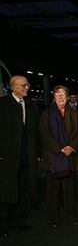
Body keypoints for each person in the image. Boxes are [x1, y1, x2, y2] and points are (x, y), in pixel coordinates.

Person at [39, 85, 78, 228]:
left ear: (68, 96)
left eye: (63, 94)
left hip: (70, 157)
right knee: (52, 191)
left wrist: (72, 147)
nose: (60, 97)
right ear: (53, 97)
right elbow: (44, 133)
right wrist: (59, 148)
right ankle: (53, 219)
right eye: (57, 94)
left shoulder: (75, 113)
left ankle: (70, 217)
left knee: (69, 190)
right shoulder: (46, 113)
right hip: (53, 157)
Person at [0, 75, 38, 237]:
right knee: (6, 191)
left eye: (27, 85)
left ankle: (19, 222)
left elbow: (35, 132)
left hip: (26, 157)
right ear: (13, 87)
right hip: (7, 158)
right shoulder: (2, 105)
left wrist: (38, 153)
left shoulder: (31, 105)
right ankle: (3, 226)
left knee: (24, 190)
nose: (27, 88)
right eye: (23, 85)